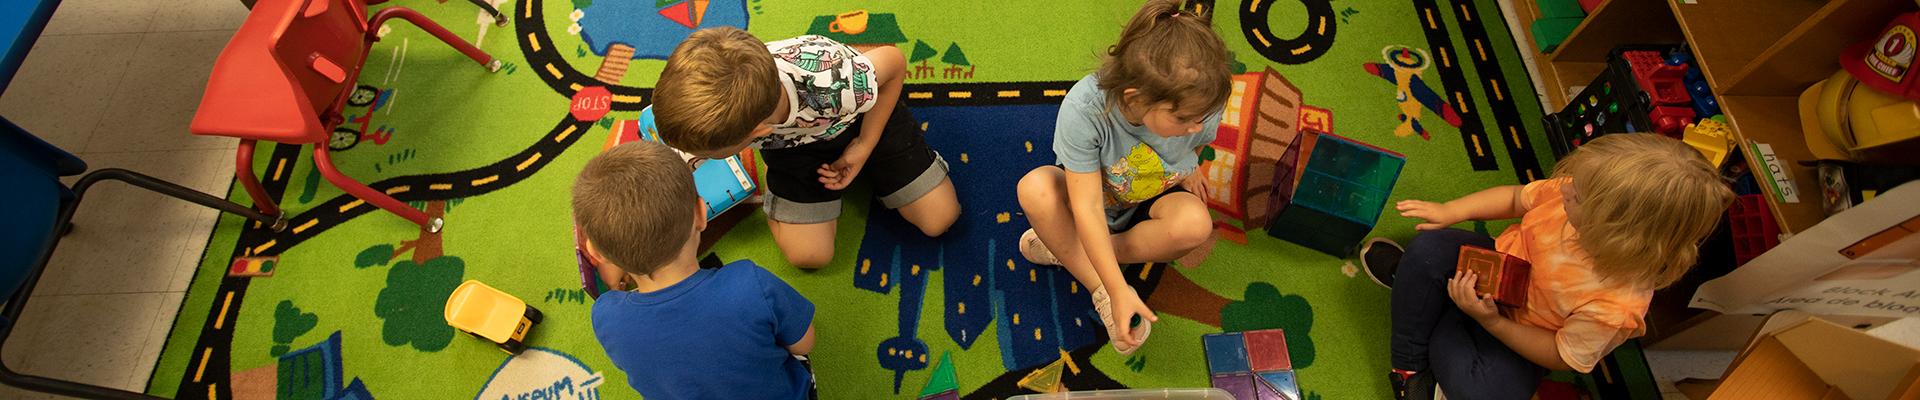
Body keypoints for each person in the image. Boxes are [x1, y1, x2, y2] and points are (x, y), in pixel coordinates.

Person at [1365, 134, 1734, 399]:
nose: (1566, 190)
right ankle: (1409, 365)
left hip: (1517, 338)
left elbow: (1560, 355)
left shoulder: (1614, 307)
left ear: (1615, 230)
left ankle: (1424, 300)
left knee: (1489, 392)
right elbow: (1514, 197)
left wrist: (1491, 321)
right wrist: (1451, 212)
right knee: (1429, 249)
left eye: (1578, 195)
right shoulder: (1575, 192)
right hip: (1489, 269)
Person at [1013, 0, 1231, 355]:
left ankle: (1065, 250)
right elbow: (1086, 207)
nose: (1198, 126)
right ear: (1136, 97)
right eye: (1185, 120)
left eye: (1203, 116)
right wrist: (1115, 290)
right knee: (1035, 189)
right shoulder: (1085, 109)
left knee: (1194, 225)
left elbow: (1198, 140)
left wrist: (1192, 165)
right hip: (1093, 198)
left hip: (1150, 198)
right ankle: (1099, 283)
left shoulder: (1202, 102)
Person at [651, 27, 959, 269]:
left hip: (857, 115)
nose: (697, 158)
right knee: (809, 255)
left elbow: (894, 60)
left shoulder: (837, 86)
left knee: (939, 219)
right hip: (793, 143)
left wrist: (864, 145)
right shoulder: (724, 110)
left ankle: (855, 58)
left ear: (758, 134)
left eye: (706, 156)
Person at [575, 141, 817, 399]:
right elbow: (805, 342)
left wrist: (612, 284)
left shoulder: (606, 316)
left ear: (596, 253)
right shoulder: (750, 284)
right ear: (701, 214)